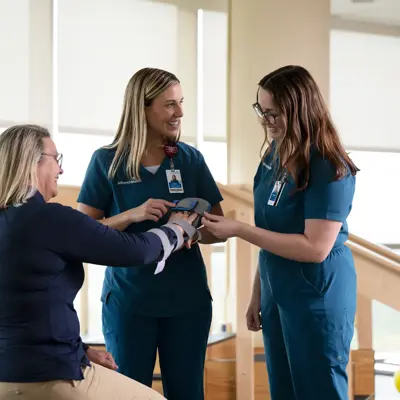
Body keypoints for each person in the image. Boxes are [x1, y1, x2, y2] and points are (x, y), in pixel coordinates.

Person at [0, 124, 199, 400]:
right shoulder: (52, 218)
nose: (61, 170)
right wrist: (176, 229)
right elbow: (137, 251)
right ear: (32, 162)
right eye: (56, 159)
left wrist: (81, 351)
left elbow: (22, 308)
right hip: (51, 376)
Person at [202, 65, 358, 400]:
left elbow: (315, 247)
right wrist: (259, 291)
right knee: (283, 388)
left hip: (317, 291)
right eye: (262, 111)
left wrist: (239, 229)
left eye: (274, 113)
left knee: (319, 387)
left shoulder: (328, 165)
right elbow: (270, 231)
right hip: (277, 288)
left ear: (300, 110)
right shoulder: (274, 154)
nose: (266, 121)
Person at [77, 67, 225, 400]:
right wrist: (132, 214)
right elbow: (82, 234)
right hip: (131, 302)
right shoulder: (107, 162)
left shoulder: (190, 160)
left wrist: (194, 231)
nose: (180, 113)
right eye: (170, 104)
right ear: (142, 107)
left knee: (187, 392)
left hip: (187, 301)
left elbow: (219, 227)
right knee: (132, 393)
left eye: (181, 103)